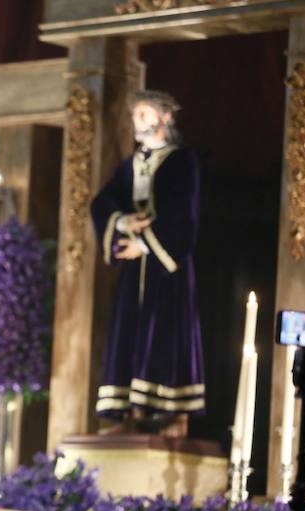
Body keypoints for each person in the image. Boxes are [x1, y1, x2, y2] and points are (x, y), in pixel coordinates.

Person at [90, 90, 205, 436]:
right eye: (135, 116)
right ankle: (129, 413)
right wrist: (123, 223)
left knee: (164, 331)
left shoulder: (182, 161)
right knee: (130, 330)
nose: (137, 122)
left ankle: (171, 416)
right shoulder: (134, 162)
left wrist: (144, 244)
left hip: (165, 266)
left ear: (165, 117)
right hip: (134, 267)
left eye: (144, 115)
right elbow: (104, 201)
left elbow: (184, 214)